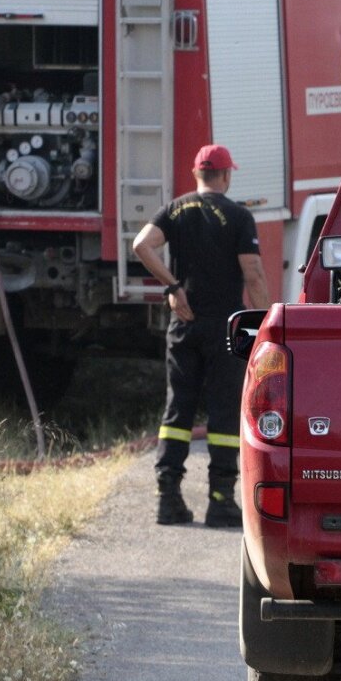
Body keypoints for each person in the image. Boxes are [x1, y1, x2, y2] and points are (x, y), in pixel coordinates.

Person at [132, 144, 271, 527]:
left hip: (184, 324)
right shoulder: (239, 215)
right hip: (226, 326)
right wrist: (266, 323)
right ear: (226, 176)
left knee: (178, 409)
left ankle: (168, 497)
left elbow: (141, 245)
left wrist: (173, 287)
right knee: (224, 410)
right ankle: (221, 500)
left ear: (196, 174)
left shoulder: (175, 209)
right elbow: (253, 273)